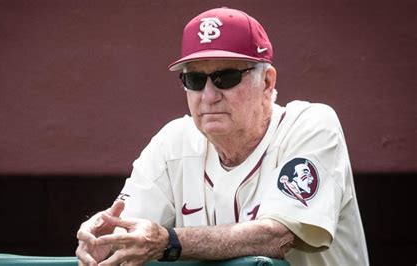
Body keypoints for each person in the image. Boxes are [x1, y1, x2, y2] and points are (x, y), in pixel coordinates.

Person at [76, 7, 369, 266]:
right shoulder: (173, 142)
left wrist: (170, 242)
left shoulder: (310, 125)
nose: (208, 95)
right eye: (195, 79)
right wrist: (104, 242)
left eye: (225, 77)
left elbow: (278, 237)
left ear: (267, 82)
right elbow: (126, 234)